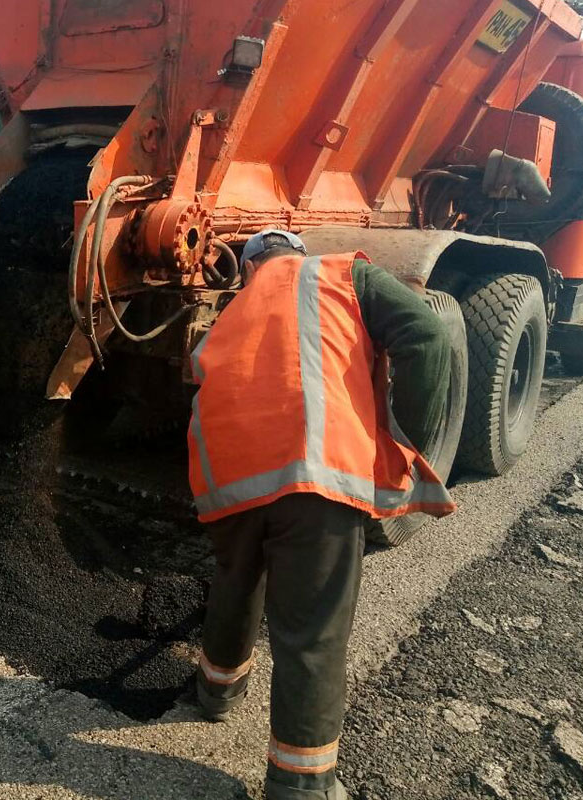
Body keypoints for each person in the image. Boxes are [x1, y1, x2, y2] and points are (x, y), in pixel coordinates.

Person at [188, 230, 456, 800]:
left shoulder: (231, 311)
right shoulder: (341, 274)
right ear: (297, 252)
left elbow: (201, 380)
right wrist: (408, 439)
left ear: (249, 268)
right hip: (315, 472)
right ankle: (302, 784)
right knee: (312, 630)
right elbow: (428, 336)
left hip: (225, 475)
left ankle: (216, 693)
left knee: (236, 581)